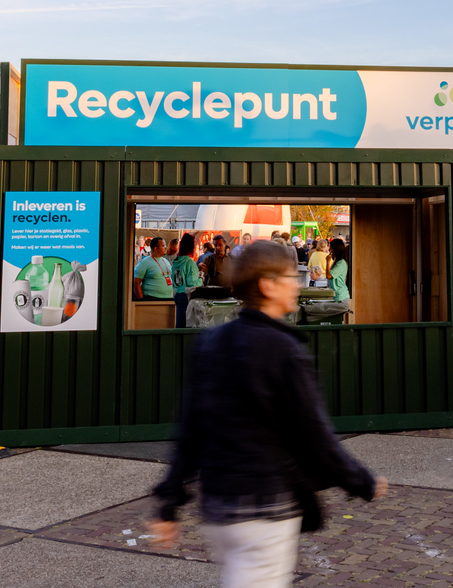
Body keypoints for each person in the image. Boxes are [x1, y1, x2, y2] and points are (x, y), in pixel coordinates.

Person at [150, 241, 387, 584]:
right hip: (265, 507)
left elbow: (191, 430)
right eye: (289, 277)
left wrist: (169, 501)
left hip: (219, 505)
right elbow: (314, 433)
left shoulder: (211, 342)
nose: (296, 284)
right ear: (267, 285)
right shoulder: (283, 348)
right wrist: (361, 480)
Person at [172, 233, 202, 327]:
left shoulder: (176, 261)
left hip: (177, 294)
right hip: (187, 297)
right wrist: (201, 278)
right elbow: (192, 283)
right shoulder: (190, 263)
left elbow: (179, 277)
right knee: (187, 325)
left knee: (179, 324)